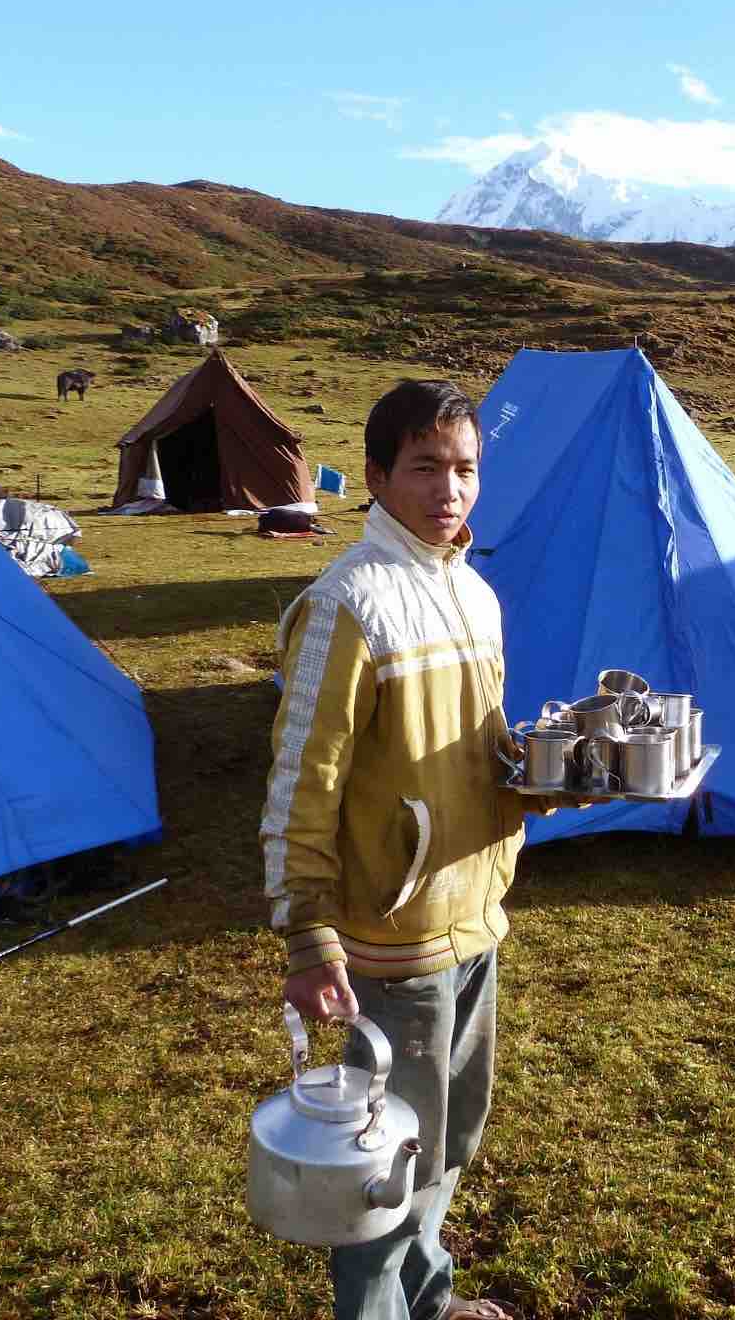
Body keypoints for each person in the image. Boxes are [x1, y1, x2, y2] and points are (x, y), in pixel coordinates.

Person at [262, 377, 534, 1320]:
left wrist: (548, 775)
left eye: (465, 468)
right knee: (387, 1163)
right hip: (392, 933)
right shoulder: (347, 605)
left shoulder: (473, 590)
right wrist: (308, 938)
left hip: (475, 917)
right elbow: (303, 785)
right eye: (425, 467)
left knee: (450, 1139)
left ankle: (430, 1296)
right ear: (376, 476)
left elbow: (482, 749)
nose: (448, 489)